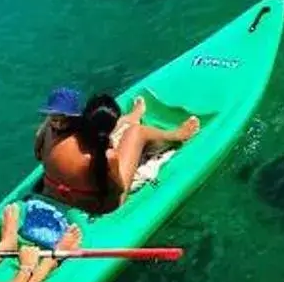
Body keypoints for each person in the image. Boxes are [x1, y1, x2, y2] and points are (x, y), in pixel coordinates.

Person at [33, 85, 200, 221]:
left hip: (53, 193)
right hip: (99, 205)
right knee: (136, 133)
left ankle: (131, 117)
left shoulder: (46, 130)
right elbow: (118, 189)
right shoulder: (107, 157)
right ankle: (175, 136)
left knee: (103, 131)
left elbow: (38, 155)